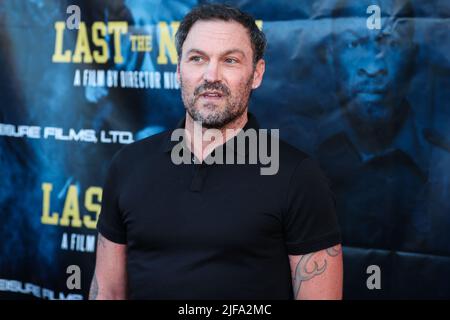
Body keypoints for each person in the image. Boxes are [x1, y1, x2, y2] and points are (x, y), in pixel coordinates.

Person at [90, 3, 342, 300]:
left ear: (257, 73)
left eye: (230, 61)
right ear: (179, 70)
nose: (212, 75)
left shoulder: (297, 176)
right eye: (197, 58)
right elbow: (107, 293)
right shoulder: (128, 166)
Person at [316, 0, 428, 250]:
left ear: (413, 56)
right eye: (354, 43)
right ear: (330, 56)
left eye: (392, 44)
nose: (374, 67)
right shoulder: (298, 158)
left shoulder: (442, 167)